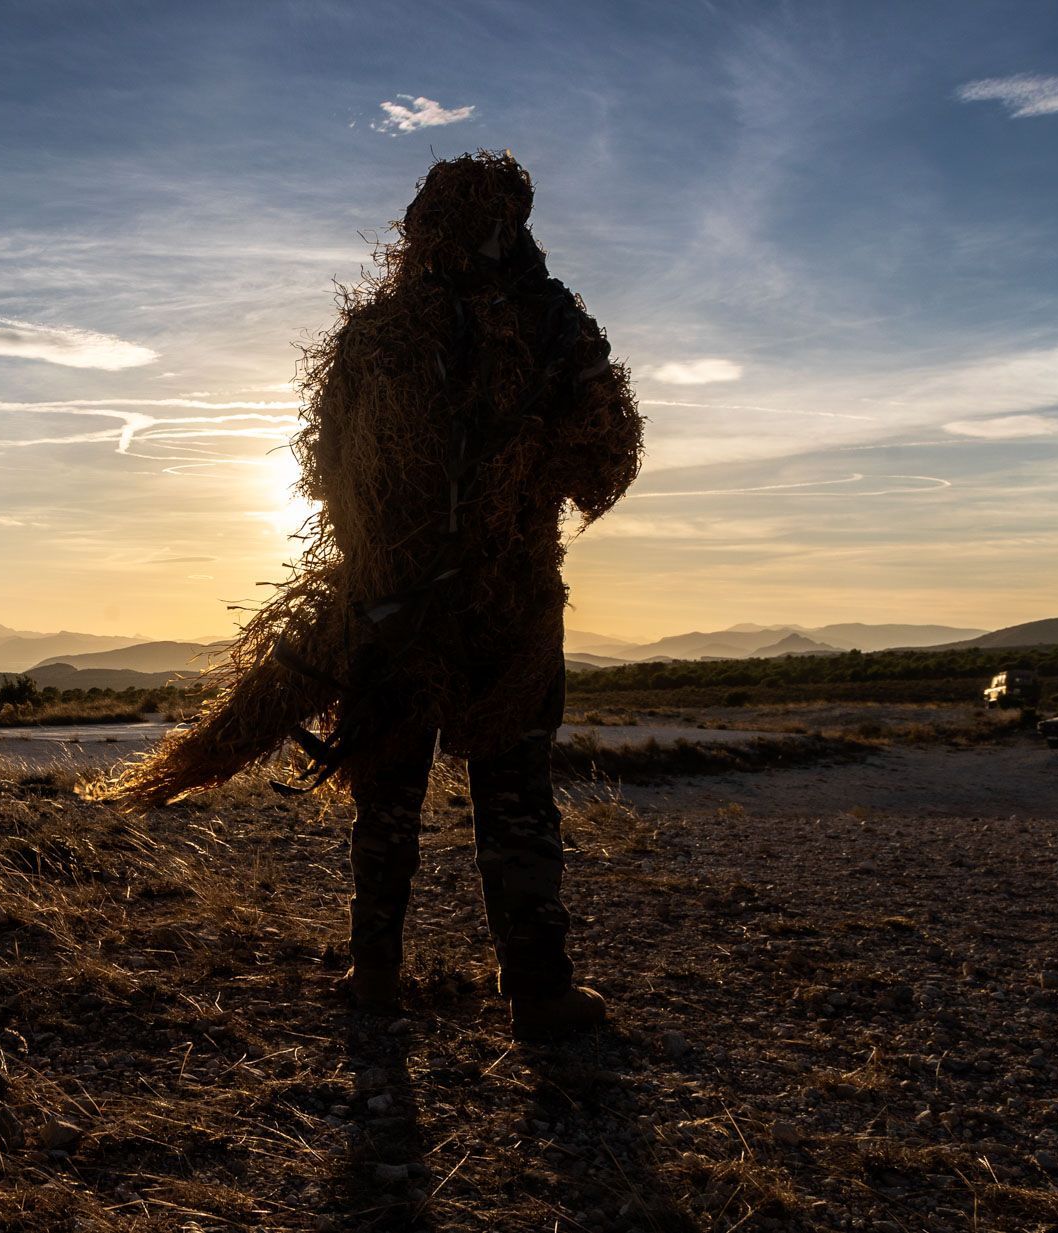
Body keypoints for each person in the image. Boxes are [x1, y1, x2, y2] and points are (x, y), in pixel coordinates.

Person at [106, 151, 642, 1042]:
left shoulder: (375, 340)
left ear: (417, 231)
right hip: (503, 608)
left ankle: (378, 975)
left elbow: (322, 474)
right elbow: (603, 466)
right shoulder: (554, 335)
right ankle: (538, 991)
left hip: (397, 606)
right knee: (511, 794)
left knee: (390, 793)